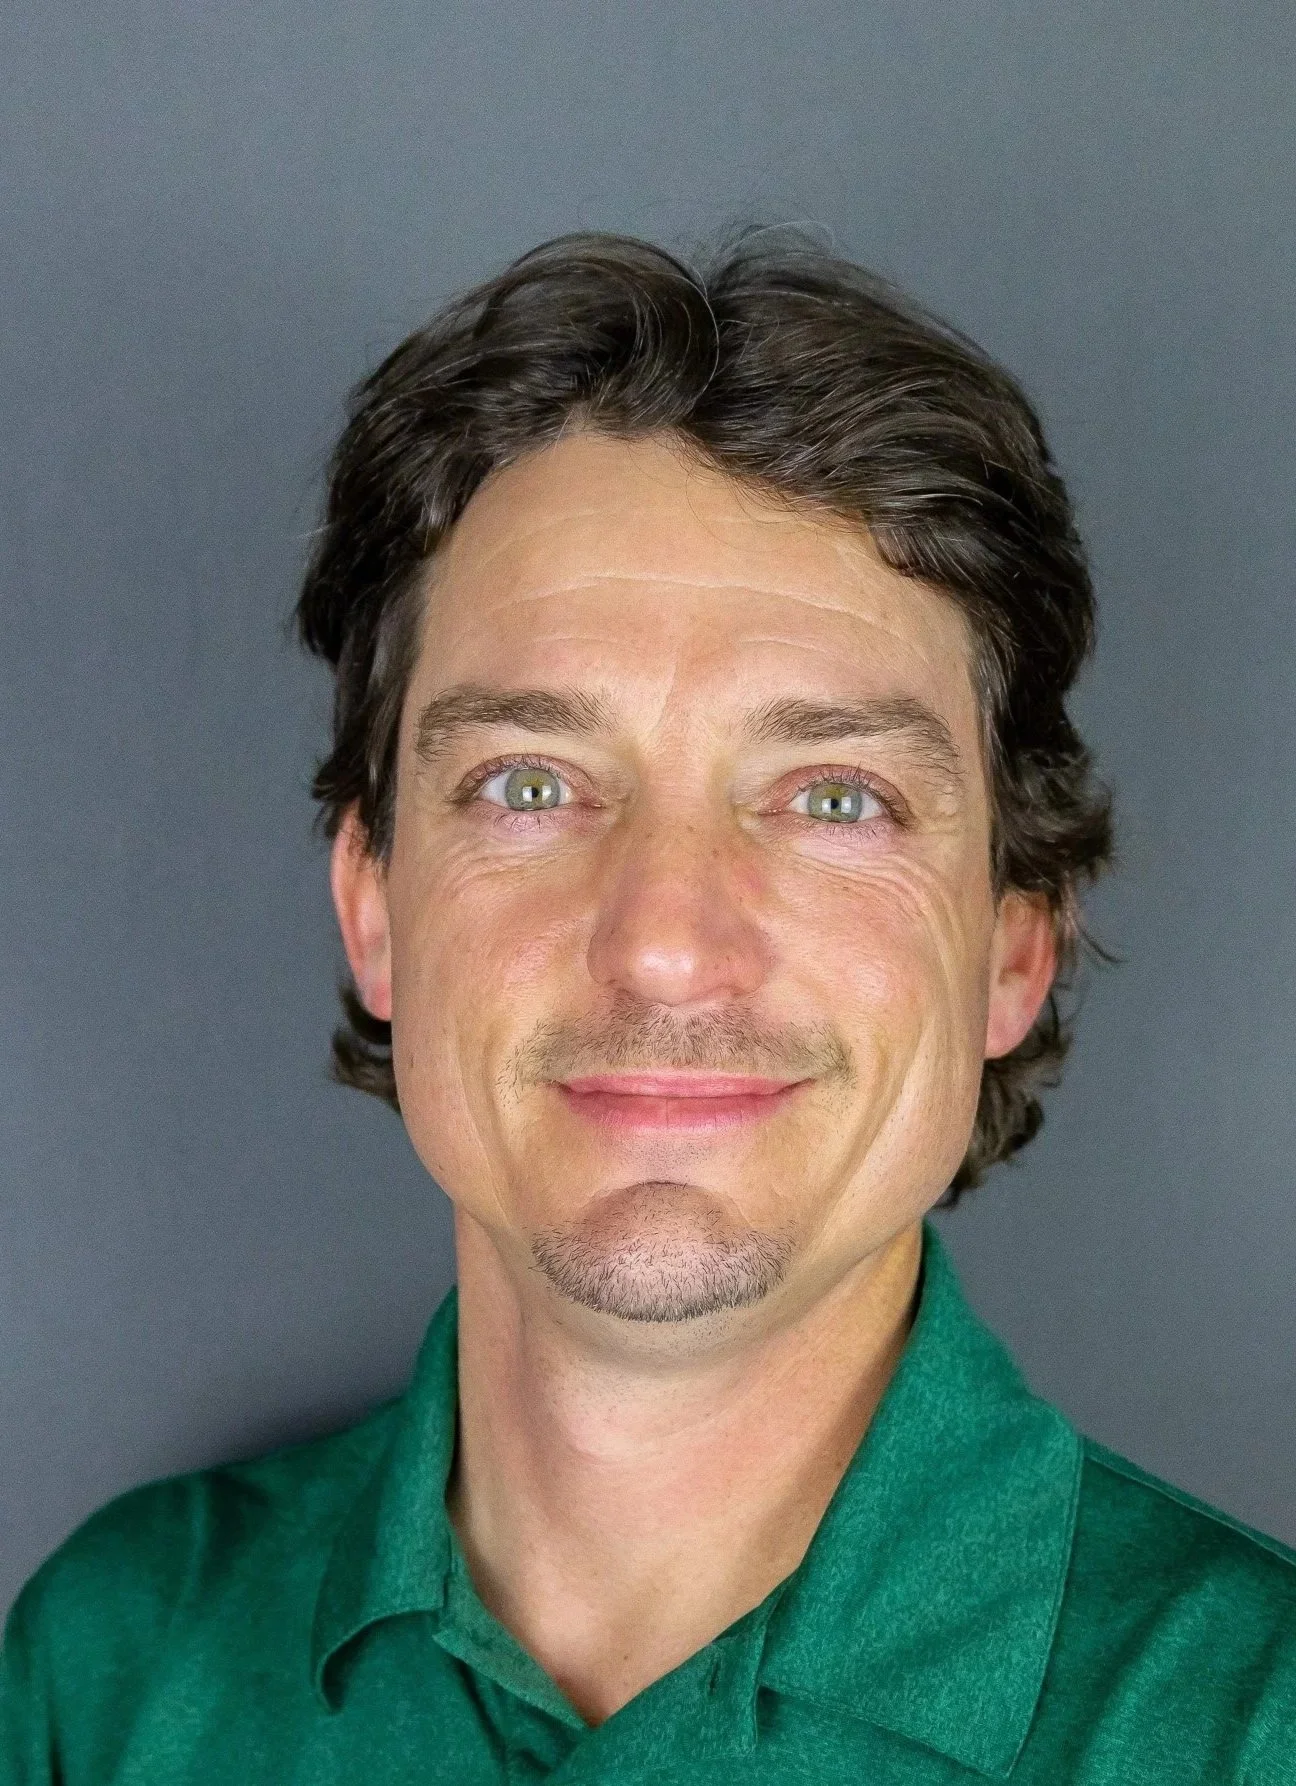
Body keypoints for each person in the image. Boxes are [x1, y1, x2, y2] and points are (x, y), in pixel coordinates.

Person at [2, 232, 1292, 1785]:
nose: (668, 944)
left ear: (1014, 946)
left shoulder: (1251, 1729)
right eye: (530, 784)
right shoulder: (110, 1672)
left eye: (835, 796)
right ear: (374, 909)